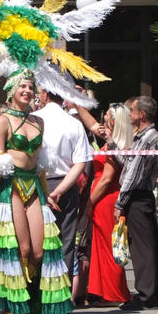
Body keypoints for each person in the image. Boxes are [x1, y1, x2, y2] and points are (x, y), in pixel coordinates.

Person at [0, 70, 73, 314]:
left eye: (31, 87)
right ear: (11, 89)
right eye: (22, 86)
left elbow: (41, 163)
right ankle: (15, 306)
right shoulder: (2, 121)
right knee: (20, 249)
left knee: (38, 251)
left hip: (33, 184)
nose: (27, 90)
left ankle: (30, 300)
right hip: (10, 186)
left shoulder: (38, 121)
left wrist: (47, 194)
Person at [113, 96, 158, 310]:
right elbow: (128, 162)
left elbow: (132, 174)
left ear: (141, 114)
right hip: (140, 195)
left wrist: (120, 201)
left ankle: (146, 296)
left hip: (138, 195)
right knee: (146, 245)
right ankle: (154, 294)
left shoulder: (148, 137)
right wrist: (112, 145)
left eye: (132, 111)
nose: (129, 115)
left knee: (143, 248)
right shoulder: (142, 136)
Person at [35, 85, 92, 279]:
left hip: (39, 184)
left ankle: (40, 293)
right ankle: (62, 296)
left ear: (45, 94)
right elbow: (80, 163)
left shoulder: (34, 119)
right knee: (65, 241)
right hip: (65, 184)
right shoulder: (73, 123)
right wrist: (61, 189)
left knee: (39, 239)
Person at [83, 103, 131, 306]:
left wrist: (89, 203)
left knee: (110, 247)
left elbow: (107, 178)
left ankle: (114, 293)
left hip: (106, 198)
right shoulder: (113, 139)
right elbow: (92, 124)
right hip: (104, 197)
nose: (103, 119)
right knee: (102, 247)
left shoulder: (115, 143)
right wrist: (76, 103)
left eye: (107, 117)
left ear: (114, 120)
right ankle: (105, 292)